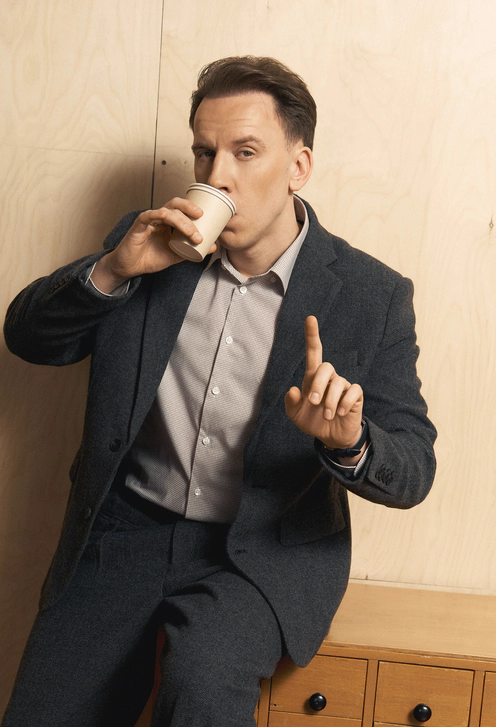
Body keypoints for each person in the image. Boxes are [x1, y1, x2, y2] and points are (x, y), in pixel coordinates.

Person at [2, 56, 436, 727]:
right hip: (125, 531)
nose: (217, 176)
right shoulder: (147, 245)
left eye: (245, 152)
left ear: (298, 167)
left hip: (258, 552)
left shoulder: (370, 295)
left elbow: (413, 467)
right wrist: (114, 269)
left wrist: (349, 440)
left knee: (200, 686)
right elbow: (29, 337)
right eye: (205, 153)